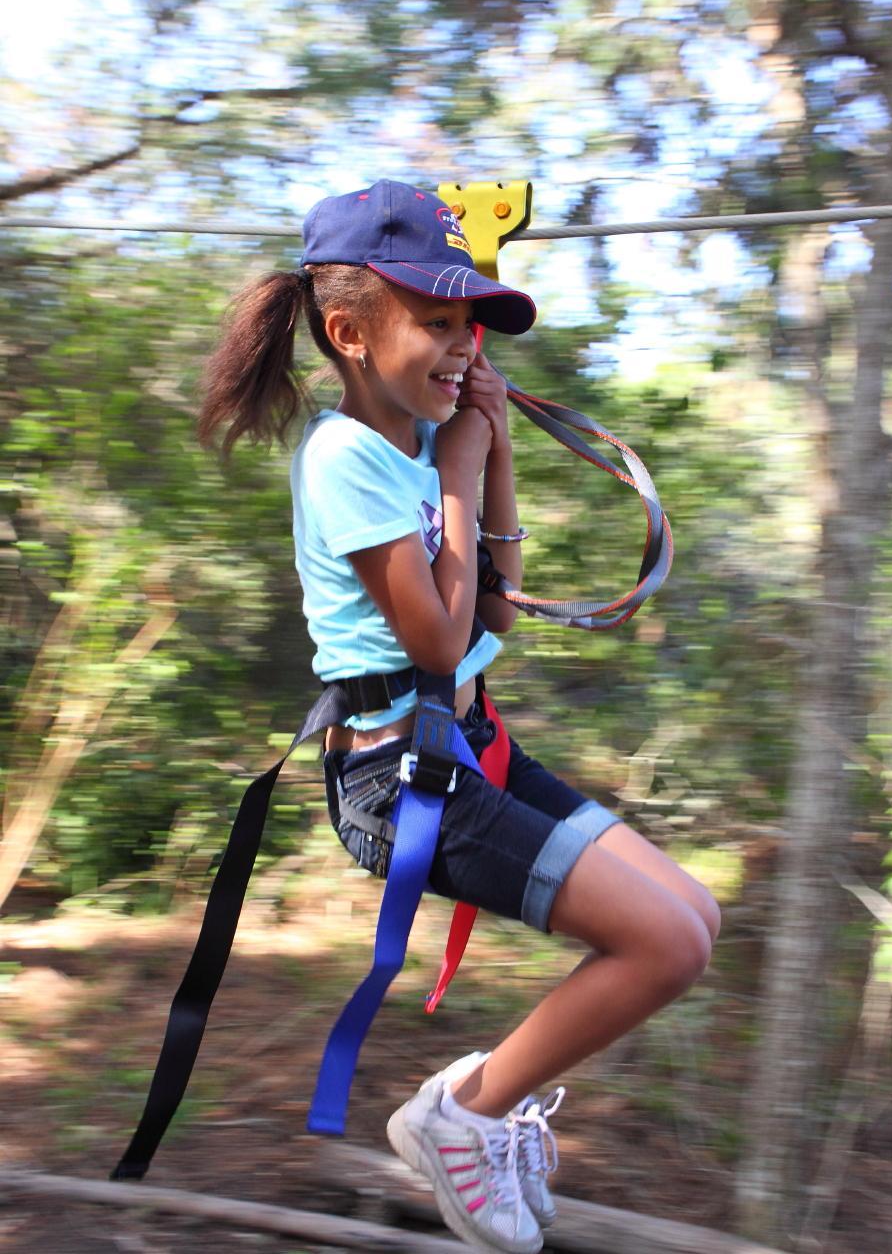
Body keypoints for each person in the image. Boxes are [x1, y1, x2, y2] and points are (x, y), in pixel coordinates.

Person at [197, 179, 720, 1254]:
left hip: (467, 748)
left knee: (693, 920)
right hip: (399, 781)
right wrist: (470, 462)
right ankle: (464, 1114)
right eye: (437, 321)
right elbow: (436, 643)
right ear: (348, 331)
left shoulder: (423, 448)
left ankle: (472, 1104)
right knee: (660, 944)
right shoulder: (345, 458)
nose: (460, 345)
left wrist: (495, 455)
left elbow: (492, 616)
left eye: (467, 325)